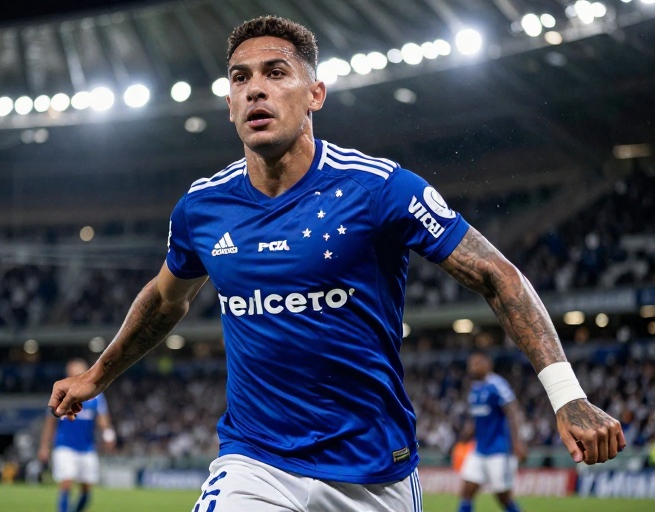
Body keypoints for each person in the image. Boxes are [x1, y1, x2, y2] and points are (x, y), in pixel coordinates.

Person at [48, 15, 626, 512]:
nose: (255, 90)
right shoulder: (202, 208)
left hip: (375, 474)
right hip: (256, 462)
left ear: (315, 95)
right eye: (240, 78)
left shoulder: (379, 189)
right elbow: (164, 298)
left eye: (276, 73)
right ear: (228, 104)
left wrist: (567, 395)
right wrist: (97, 376)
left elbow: (498, 277)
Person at [40, 358, 115, 512]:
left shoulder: (96, 396)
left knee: (86, 488)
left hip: (87, 448)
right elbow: (50, 423)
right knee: (66, 483)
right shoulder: (61, 395)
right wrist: (44, 446)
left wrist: (108, 435)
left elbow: (102, 419)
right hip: (64, 446)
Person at [457, 351, 527, 512]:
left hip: (499, 449)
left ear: (487, 365)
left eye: (476, 364)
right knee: (467, 490)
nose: (471, 367)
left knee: (503, 496)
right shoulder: (474, 388)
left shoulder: (497, 385)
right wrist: (467, 433)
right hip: (479, 449)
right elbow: (478, 416)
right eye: (470, 364)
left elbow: (513, 411)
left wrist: (518, 442)